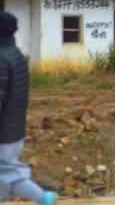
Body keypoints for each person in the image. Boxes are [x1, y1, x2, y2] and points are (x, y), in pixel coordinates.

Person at [0, 12, 57, 205]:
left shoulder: (1, 60)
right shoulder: (16, 55)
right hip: (14, 130)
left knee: (10, 175)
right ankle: (43, 198)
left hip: (3, 133)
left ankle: (43, 198)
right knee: (8, 173)